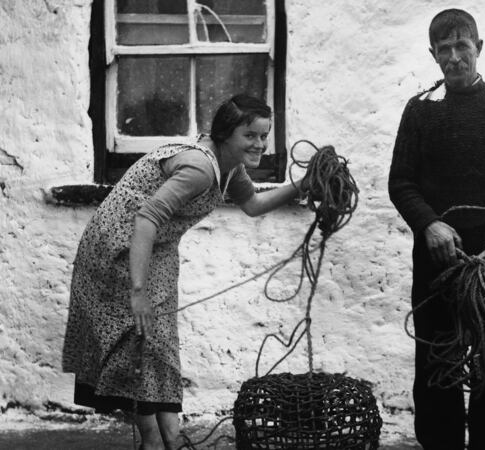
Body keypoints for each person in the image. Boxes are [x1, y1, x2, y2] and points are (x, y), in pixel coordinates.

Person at [62, 94, 306, 450]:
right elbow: (146, 217)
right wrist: (138, 291)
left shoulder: (228, 165)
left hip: (156, 247)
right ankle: (153, 442)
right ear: (225, 134)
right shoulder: (200, 168)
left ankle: (170, 439)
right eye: (250, 135)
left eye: (264, 135)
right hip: (117, 248)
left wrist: (305, 184)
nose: (260, 144)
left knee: (159, 345)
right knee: (139, 342)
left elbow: (253, 205)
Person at [388, 9, 485, 450]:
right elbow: (401, 182)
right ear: (433, 55)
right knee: (438, 363)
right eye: (444, 49)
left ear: (479, 48)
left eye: (462, 46)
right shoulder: (419, 111)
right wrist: (429, 224)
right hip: (437, 262)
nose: (455, 57)